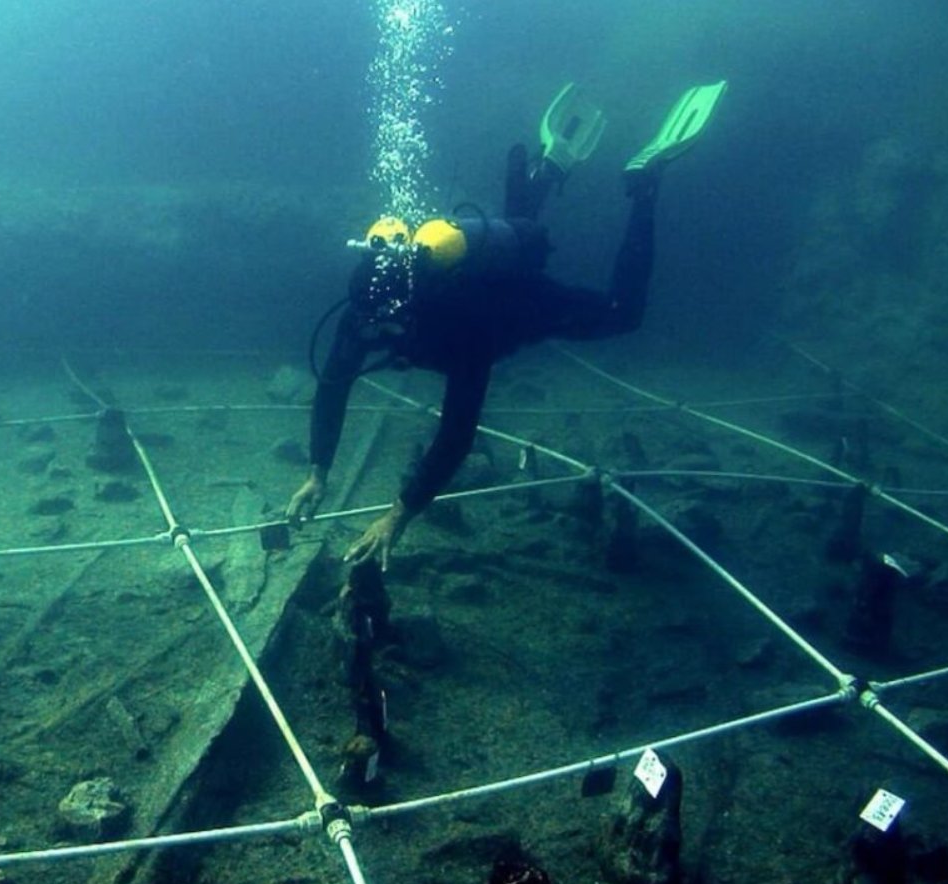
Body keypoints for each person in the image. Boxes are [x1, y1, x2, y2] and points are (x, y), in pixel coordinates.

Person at [286, 82, 726, 568]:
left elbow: (457, 434)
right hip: (488, 285)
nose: (374, 334)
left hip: (518, 310)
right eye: (369, 322)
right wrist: (317, 472)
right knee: (522, 235)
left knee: (624, 313)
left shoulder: (460, 328)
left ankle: (644, 187)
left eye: (385, 324)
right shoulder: (363, 309)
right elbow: (332, 388)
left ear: (410, 307)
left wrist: (398, 515)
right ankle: (547, 170)